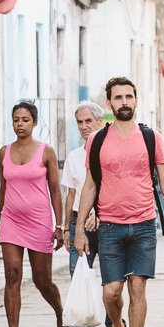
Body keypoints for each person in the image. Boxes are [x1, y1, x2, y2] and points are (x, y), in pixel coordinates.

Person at [74, 76, 164, 327]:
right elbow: (89, 185)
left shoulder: (151, 138)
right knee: (112, 292)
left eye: (129, 96)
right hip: (109, 227)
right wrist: (77, 230)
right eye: (118, 97)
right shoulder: (97, 140)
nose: (124, 101)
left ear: (135, 101)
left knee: (137, 287)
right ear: (109, 103)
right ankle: (117, 326)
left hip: (143, 225)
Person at [0, 100, 67, 327]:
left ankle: (61, 316)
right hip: (11, 220)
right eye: (16, 120)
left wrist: (59, 226)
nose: (20, 124)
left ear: (34, 123)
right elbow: (3, 189)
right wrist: (0, 220)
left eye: (25, 120)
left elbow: (55, 191)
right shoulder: (4, 152)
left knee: (42, 280)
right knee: (12, 273)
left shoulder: (46, 151)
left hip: (39, 221)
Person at [61, 100, 105, 277]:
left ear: (99, 121)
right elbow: (70, 194)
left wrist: (98, 213)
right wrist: (66, 229)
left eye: (89, 121)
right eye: (80, 122)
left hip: (106, 221)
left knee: (111, 282)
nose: (84, 126)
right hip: (79, 222)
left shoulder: (108, 152)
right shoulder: (73, 157)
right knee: (77, 276)